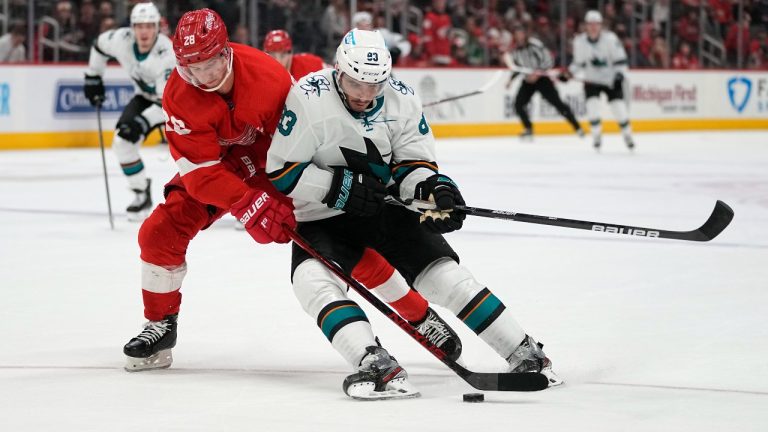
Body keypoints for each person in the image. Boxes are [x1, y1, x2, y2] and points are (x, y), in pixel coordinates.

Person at [266, 29, 562, 400]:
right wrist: (337, 188)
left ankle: (525, 352)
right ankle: (373, 362)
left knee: (446, 277)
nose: (364, 94)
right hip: (323, 217)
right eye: (356, 83)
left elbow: (414, 163)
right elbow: (282, 171)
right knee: (311, 282)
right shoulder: (309, 96)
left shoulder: (402, 97)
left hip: (385, 209)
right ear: (338, 71)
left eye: (374, 86)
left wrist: (430, 190)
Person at [265, 27, 463, 364]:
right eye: (272, 52)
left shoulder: (310, 69)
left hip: (351, 181)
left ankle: (420, 317)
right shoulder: (270, 80)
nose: (278, 59)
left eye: (283, 52)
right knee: (355, 265)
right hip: (302, 191)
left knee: (372, 261)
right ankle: (416, 319)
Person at [120, 8, 297, 371]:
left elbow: (300, 144)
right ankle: (160, 324)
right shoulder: (179, 94)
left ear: (225, 52)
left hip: (275, 164)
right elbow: (200, 173)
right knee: (158, 233)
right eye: (192, 68)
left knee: (325, 225)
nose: (202, 76)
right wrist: (246, 202)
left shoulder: (270, 76)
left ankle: (405, 300)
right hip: (218, 168)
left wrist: (282, 193)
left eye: (209, 65)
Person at [84, 2, 176, 220]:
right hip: (145, 98)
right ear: (132, 28)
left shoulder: (166, 55)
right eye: (139, 26)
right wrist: (93, 76)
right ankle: (140, 192)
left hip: (175, 104)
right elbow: (98, 46)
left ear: (157, 27)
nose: (144, 31)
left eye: (149, 26)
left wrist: (142, 123)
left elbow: (167, 103)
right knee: (122, 141)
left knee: (196, 152)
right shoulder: (120, 39)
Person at [560, 10, 635, 151]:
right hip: (591, 80)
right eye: (590, 24)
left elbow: (621, 60)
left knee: (619, 109)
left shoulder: (611, 39)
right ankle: (596, 136)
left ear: (601, 25)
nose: (593, 27)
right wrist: (568, 74)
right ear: (586, 25)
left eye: (596, 24)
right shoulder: (580, 41)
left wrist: (620, 75)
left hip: (610, 80)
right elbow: (578, 63)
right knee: (592, 107)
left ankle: (627, 135)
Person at [505, 24, 583, 141]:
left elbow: (548, 60)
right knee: (518, 104)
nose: (519, 36)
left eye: (521, 33)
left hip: (542, 79)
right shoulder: (515, 50)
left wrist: (537, 73)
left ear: (525, 34)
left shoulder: (534, 45)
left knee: (557, 103)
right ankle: (528, 129)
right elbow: (518, 68)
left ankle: (577, 127)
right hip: (528, 81)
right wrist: (510, 80)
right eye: (517, 34)